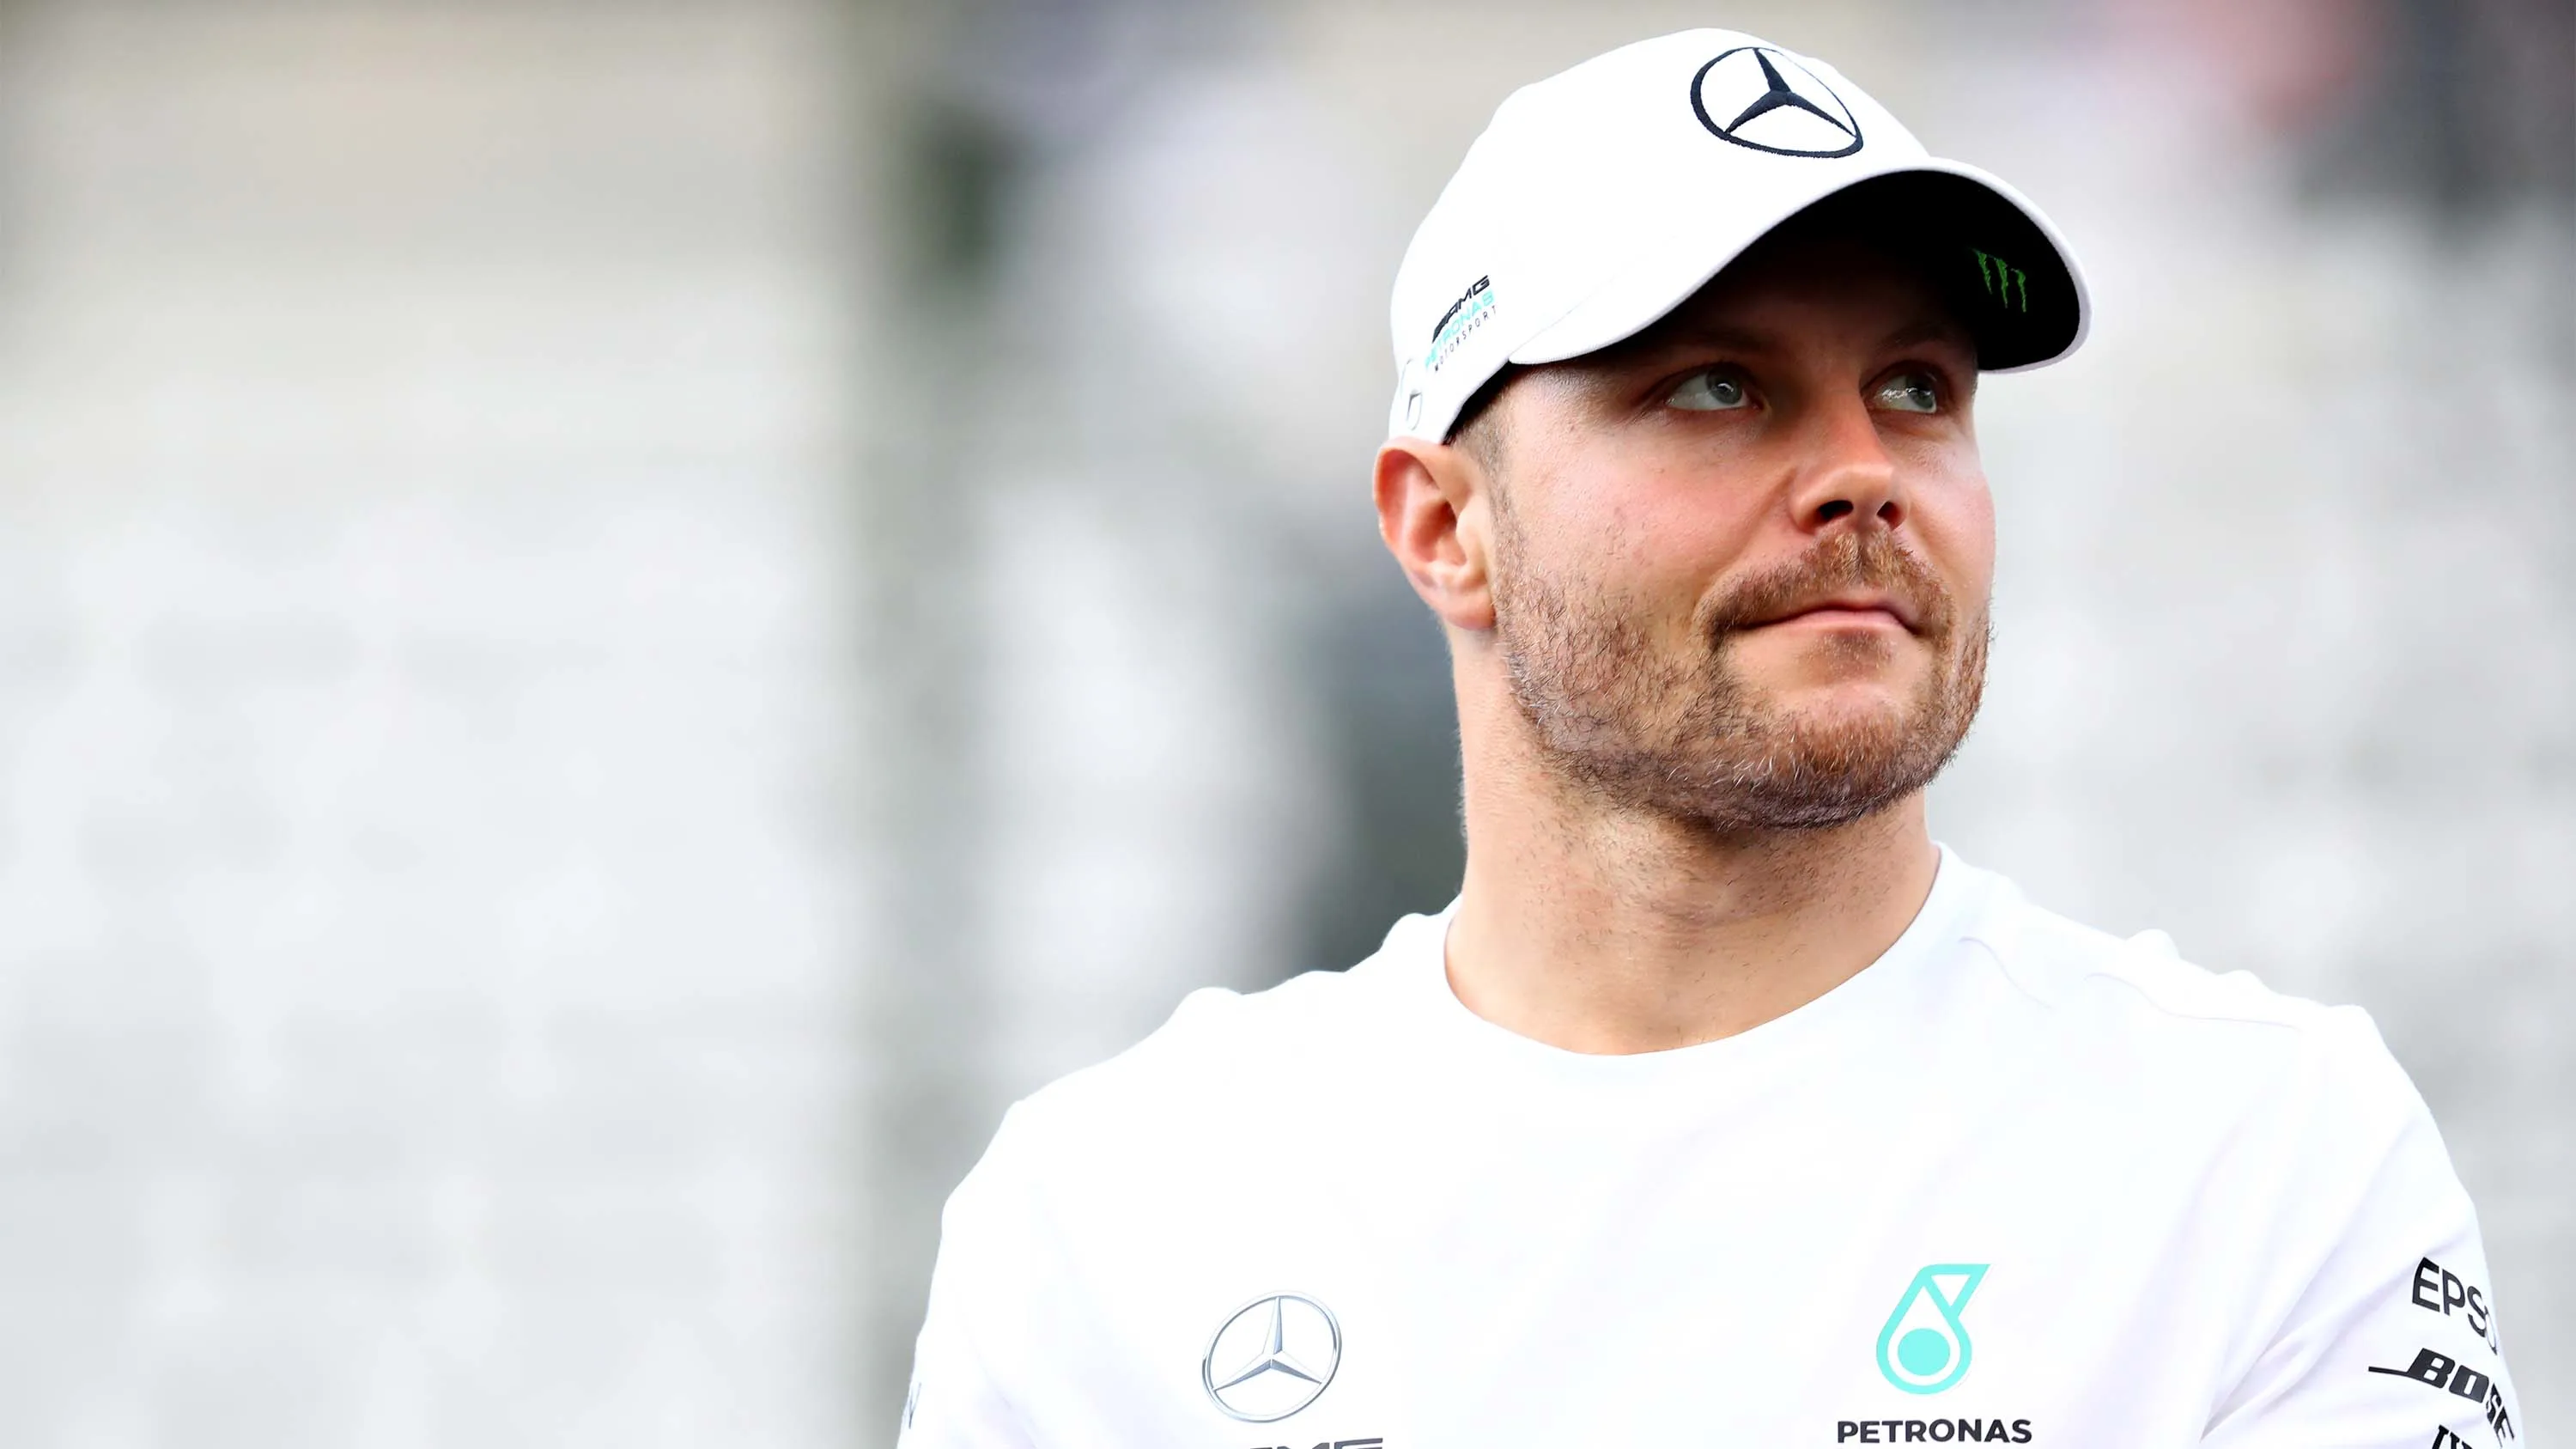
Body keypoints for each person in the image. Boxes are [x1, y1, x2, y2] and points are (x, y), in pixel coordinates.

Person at [897, 29, 2522, 1446]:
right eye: (1716, 388)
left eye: (1918, 388)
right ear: (1446, 528)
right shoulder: (1110, 1223)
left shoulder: (2265, 1159)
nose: (1863, 468)